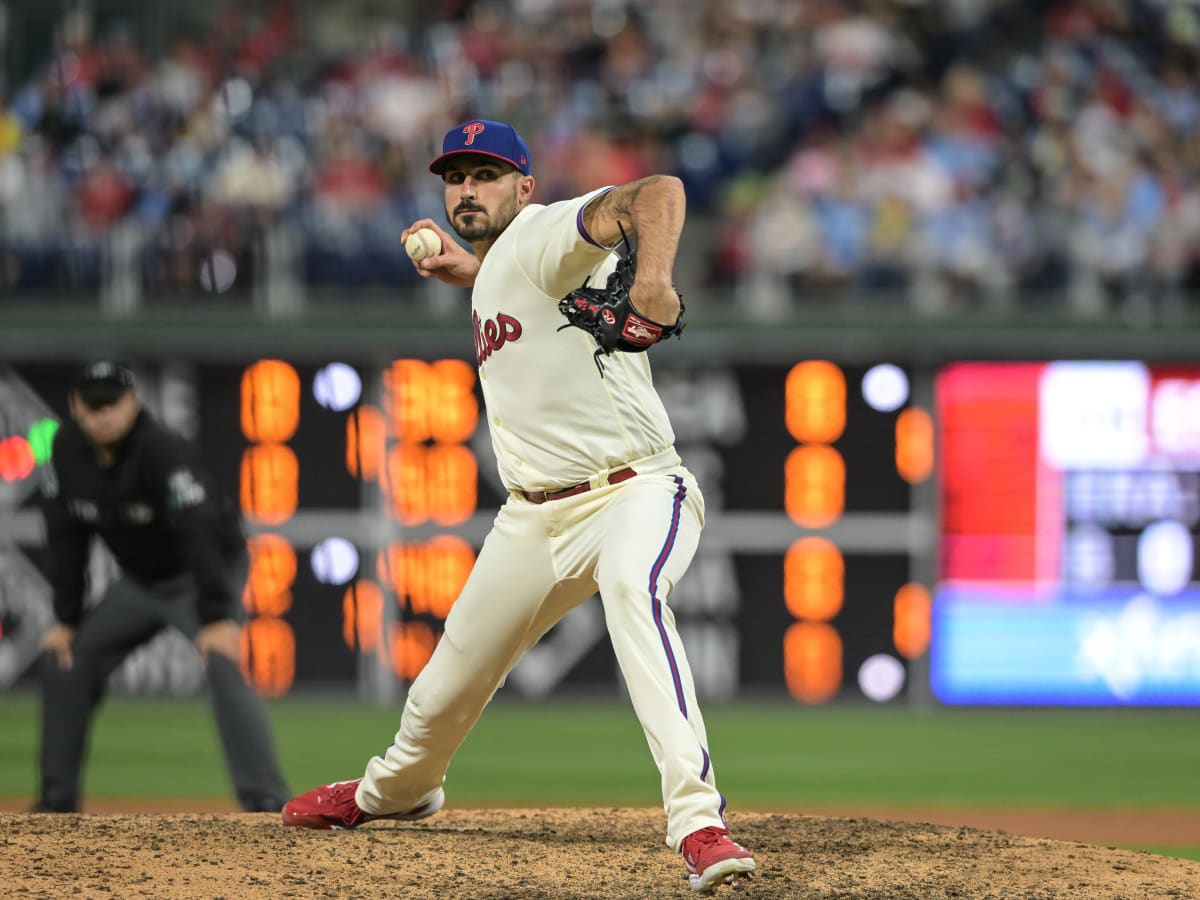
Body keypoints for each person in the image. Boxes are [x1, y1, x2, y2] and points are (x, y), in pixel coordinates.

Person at [281, 119, 756, 892]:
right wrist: (475, 272)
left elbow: (657, 194)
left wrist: (654, 283)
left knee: (635, 595)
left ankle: (698, 821)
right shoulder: (510, 262)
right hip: (532, 516)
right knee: (445, 682)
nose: (467, 189)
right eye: (456, 177)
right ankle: (394, 794)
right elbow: (527, 285)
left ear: (524, 188)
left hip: (631, 490)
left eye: (487, 174)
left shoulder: (541, 232)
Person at [35, 360, 291, 814]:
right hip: (138, 584)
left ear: (133, 403)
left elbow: (200, 534)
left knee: (222, 661)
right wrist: (67, 618)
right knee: (66, 659)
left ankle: (264, 803)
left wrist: (216, 617)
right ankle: (55, 804)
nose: (104, 414)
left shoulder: (162, 450)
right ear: (75, 407)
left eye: (112, 403)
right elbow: (66, 536)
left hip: (202, 577)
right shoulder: (66, 451)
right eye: (93, 405)